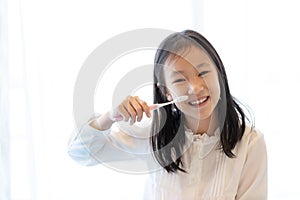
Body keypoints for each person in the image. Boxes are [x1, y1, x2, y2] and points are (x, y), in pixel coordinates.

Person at [68, 30, 267, 199]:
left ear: (220, 75)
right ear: (166, 92)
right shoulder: (153, 137)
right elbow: (79, 153)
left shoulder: (249, 143)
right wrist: (110, 117)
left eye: (203, 73)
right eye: (180, 80)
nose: (195, 88)